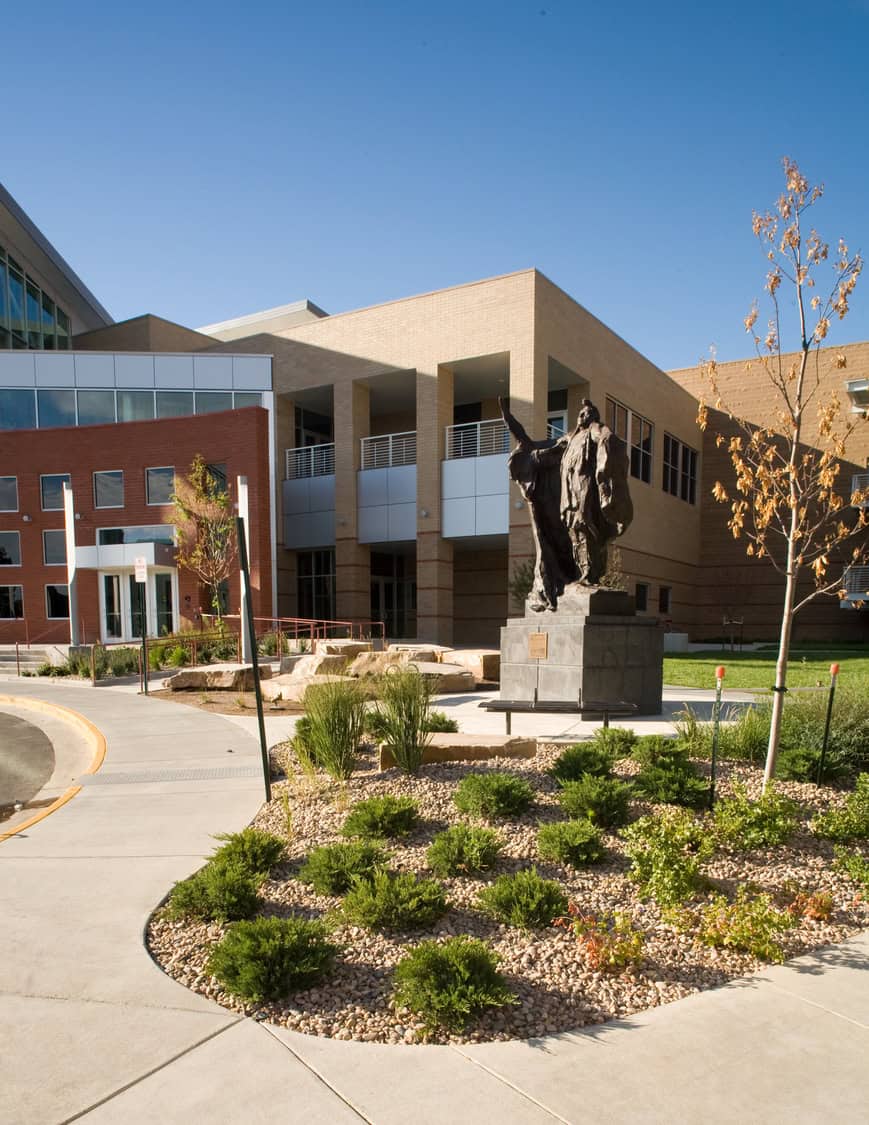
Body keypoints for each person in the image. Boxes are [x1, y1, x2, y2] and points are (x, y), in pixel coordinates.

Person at [499, 396, 633, 611]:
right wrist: (511, 423)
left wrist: (607, 456)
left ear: (592, 417)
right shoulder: (571, 437)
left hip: (585, 491)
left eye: (585, 414)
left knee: (587, 529)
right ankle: (580, 574)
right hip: (568, 495)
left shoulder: (594, 430)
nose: (580, 417)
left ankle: (590, 575)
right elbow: (539, 449)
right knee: (573, 531)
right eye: (580, 414)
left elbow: (606, 437)